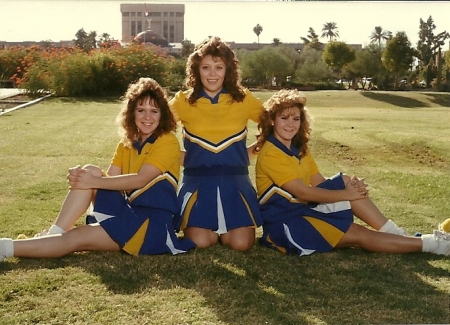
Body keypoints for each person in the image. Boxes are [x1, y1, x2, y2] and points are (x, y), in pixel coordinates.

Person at [0, 77, 196, 262]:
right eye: (141, 110)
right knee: (90, 171)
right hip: (129, 211)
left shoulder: (167, 141)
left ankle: (5, 248)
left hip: (150, 224)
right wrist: (85, 178)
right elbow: (111, 180)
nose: (147, 117)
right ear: (131, 113)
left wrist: (91, 182)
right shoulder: (127, 142)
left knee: (76, 236)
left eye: (154, 111)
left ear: (162, 114)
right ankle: (55, 233)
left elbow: (140, 180)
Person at [255, 89, 450, 256]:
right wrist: (347, 195)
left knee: (347, 181)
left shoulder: (299, 148)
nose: (291, 124)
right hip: (286, 224)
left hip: (303, 210)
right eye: (284, 118)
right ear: (272, 120)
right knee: (358, 234)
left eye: (296, 118)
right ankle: (434, 245)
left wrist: (348, 190)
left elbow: (319, 182)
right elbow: (303, 192)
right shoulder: (271, 153)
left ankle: (397, 235)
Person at [170, 36, 263, 251]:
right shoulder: (183, 101)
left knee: (241, 244)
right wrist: (181, 156)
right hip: (198, 183)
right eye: (206, 67)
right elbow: (157, 128)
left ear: (228, 70)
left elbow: (274, 123)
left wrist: (253, 150)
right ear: (196, 70)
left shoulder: (243, 99)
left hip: (236, 183)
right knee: (200, 242)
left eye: (219, 67)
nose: (212, 74)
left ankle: (229, 227)